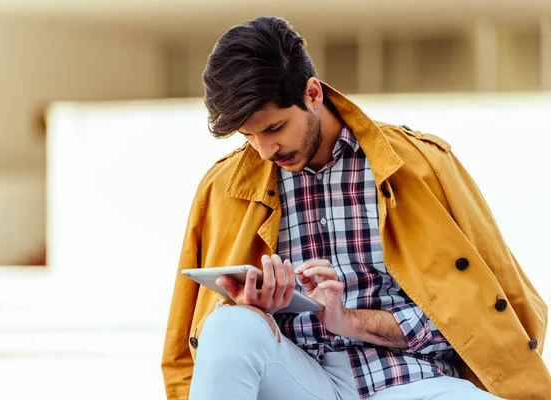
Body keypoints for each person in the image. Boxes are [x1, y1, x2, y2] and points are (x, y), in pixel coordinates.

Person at [161, 16, 551, 400]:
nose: (264, 150)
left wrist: (347, 321)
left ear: (312, 93)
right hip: (296, 380)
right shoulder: (222, 188)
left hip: (413, 379)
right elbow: (191, 344)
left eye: (274, 129)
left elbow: (480, 312)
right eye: (248, 136)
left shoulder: (421, 165)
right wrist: (259, 311)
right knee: (229, 325)